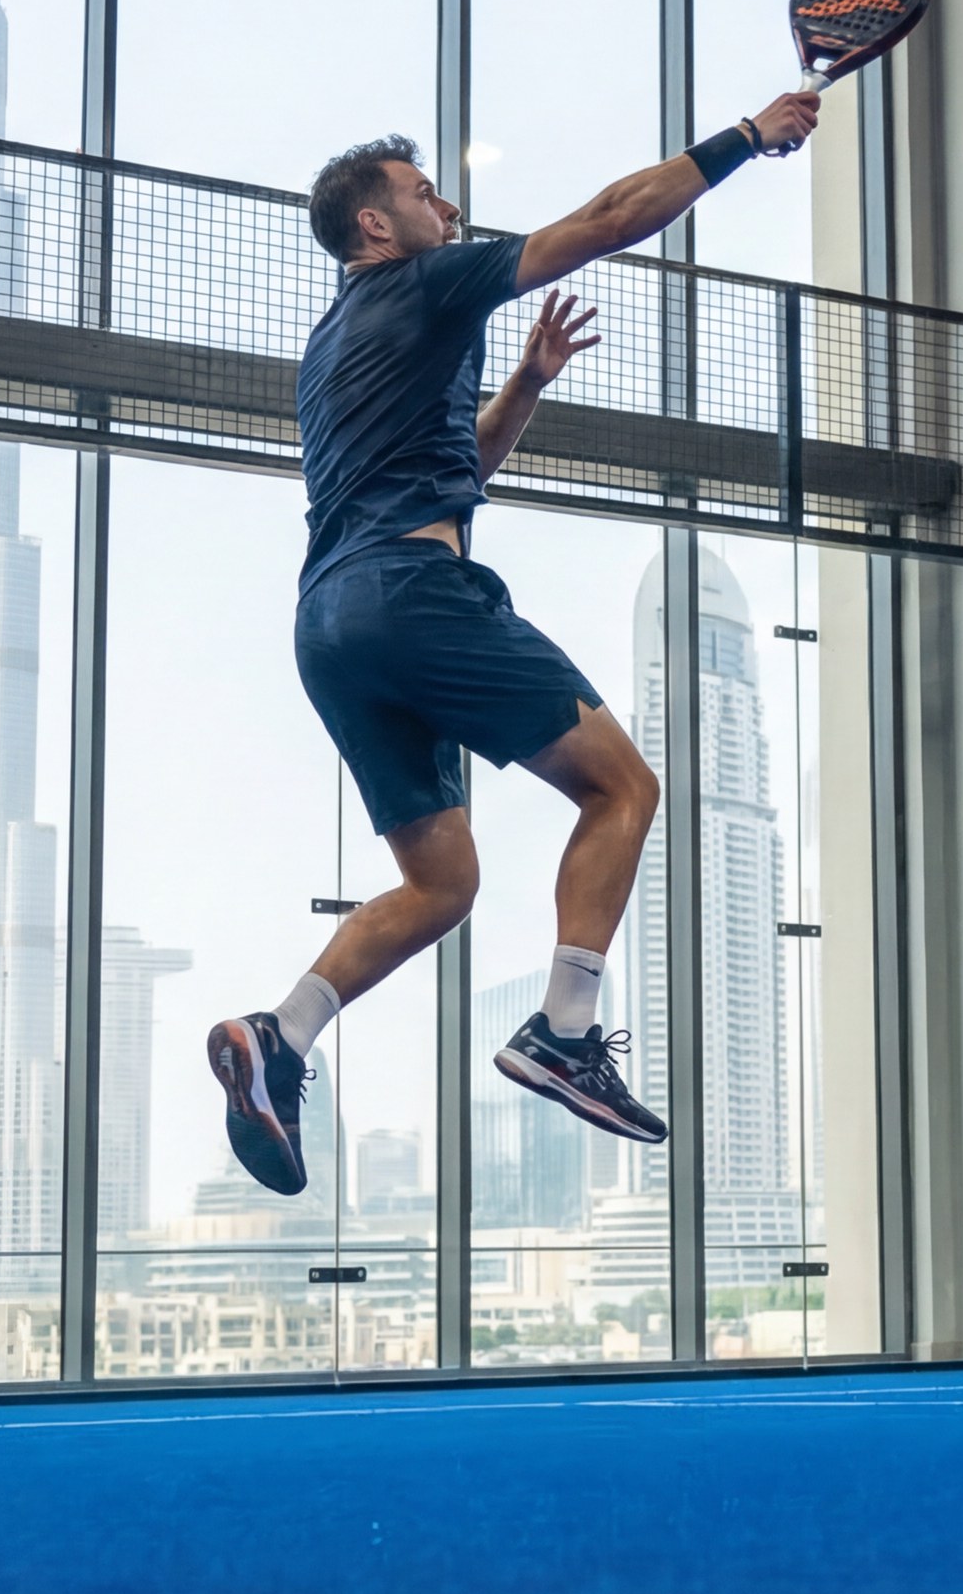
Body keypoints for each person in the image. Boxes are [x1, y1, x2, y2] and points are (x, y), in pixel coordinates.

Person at [208, 89, 821, 1194]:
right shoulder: (426, 281)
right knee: (622, 788)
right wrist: (747, 137)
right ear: (376, 226)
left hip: (329, 625)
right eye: (422, 193)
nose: (446, 206)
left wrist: (528, 384)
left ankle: (281, 1034)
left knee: (441, 883)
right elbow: (611, 216)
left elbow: (454, 472)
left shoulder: (332, 342)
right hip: (410, 592)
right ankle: (565, 1030)